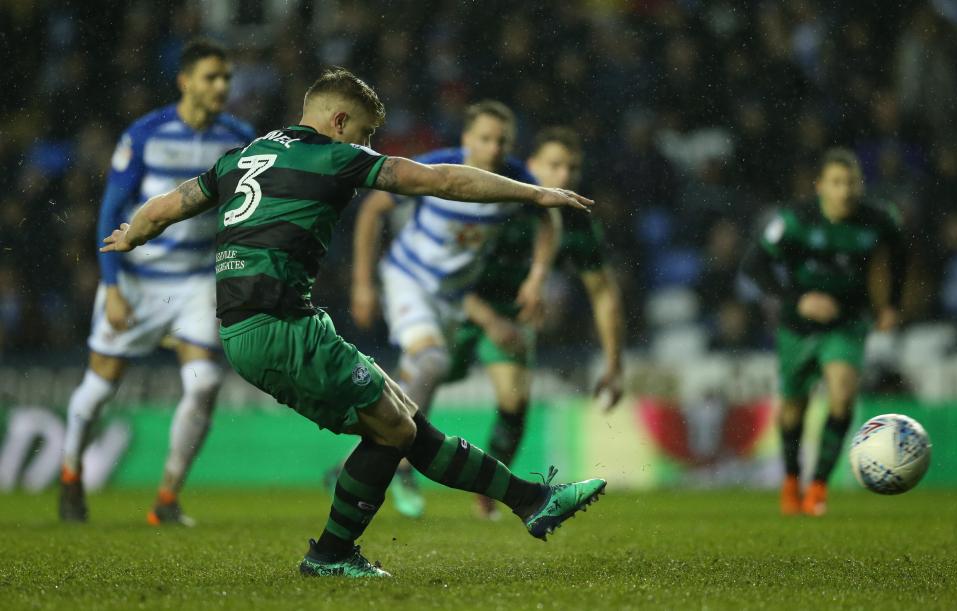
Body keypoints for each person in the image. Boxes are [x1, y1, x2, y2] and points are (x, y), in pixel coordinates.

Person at [99, 66, 606, 577]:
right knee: (392, 430)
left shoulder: (243, 157)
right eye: (364, 133)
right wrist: (534, 193)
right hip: (279, 328)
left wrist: (133, 235)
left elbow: (168, 205)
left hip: (258, 325)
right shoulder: (334, 155)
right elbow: (441, 179)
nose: (367, 144)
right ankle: (331, 554)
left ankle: (532, 500)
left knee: (405, 418)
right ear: (339, 120)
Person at [59, 40, 254, 525]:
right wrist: (113, 286)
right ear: (185, 81)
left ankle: (166, 498)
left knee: (205, 381)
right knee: (99, 390)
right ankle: (69, 472)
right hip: (139, 280)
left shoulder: (240, 137)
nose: (222, 87)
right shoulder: (146, 133)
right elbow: (111, 209)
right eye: (212, 77)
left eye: (227, 78)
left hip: (193, 284)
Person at [348, 101, 560, 517]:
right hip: (409, 278)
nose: (494, 148)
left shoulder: (516, 177)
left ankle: (353, 464)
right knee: (432, 364)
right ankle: (402, 466)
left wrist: (537, 278)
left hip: (453, 298)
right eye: (484, 138)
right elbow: (374, 207)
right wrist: (362, 282)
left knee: (417, 377)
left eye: (502, 140)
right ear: (466, 140)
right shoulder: (440, 165)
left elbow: (547, 219)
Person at [447, 127, 626, 519]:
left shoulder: (576, 224)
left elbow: (603, 292)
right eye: (554, 165)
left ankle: (488, 488)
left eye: (572, 168)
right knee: (416, 390)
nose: (564, 176)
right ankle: (362, 462)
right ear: (530, 167)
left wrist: (614, 362)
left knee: (514, 399)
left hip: (510, 314)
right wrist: (489, 319)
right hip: (453, 306)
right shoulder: (498, 201)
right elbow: (445, 271)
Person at [740, 147, 905, 516]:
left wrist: (891, 302)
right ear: (820, 187)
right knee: (793, 411)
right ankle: (791, 480)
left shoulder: (877, 220)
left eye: (851, 182)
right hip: (797, 326)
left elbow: (899, 254)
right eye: (836, 183)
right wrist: (795, 300)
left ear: (861, 185)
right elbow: (754, 264)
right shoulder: (796, 220)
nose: (845, 191)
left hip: (847, 322)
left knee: (842, 396)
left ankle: (818, 487)